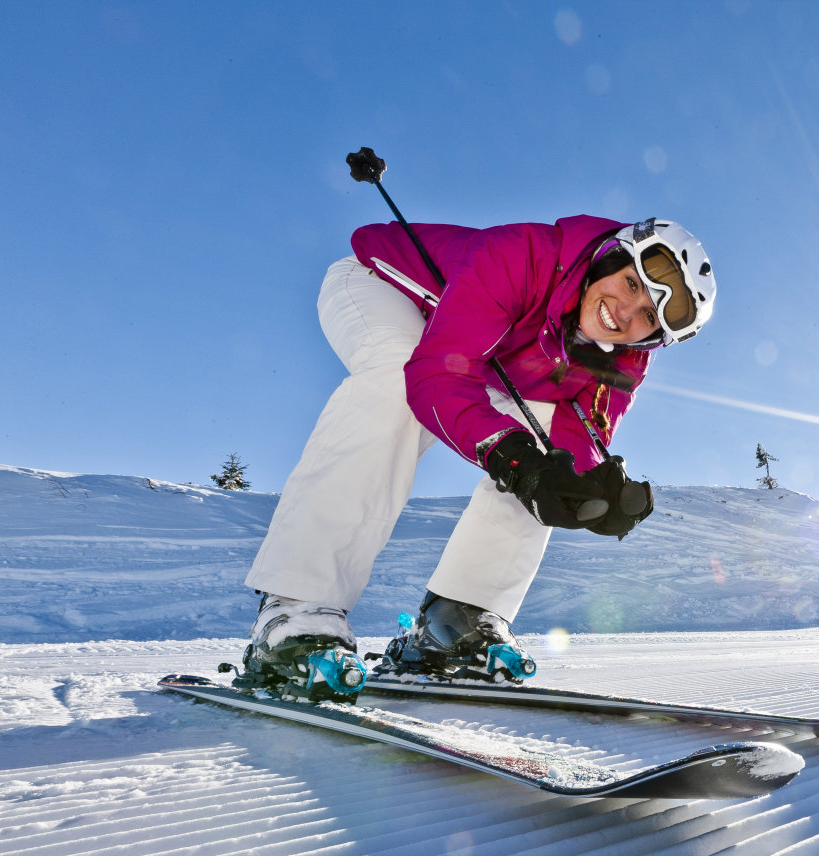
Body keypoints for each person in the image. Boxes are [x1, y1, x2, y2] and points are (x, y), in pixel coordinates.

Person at [240, 213, 716, 695]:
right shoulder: (525, 254)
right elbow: (436, 373)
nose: (624, 312)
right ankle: (296, 607)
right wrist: (510, 456)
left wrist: (591, 490)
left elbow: (578, 436)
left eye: (648, 319)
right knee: (395, 380)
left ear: (654, 339)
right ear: (609, 257)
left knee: (550, 467)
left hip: (488, 354)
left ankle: (459, 618)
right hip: (386, 289)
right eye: (631, 282)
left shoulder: (621, 361)